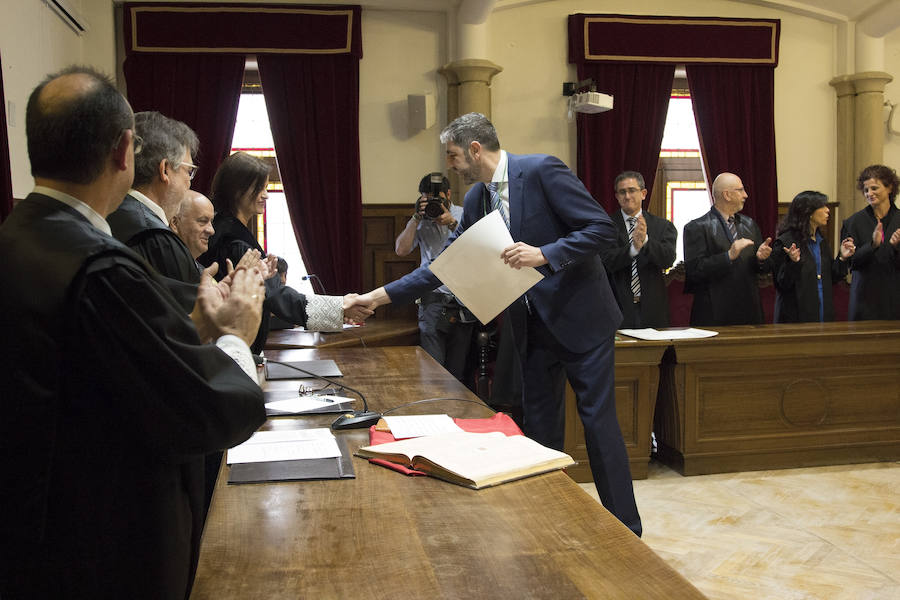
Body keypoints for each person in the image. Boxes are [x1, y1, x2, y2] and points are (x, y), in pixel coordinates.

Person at [0, 66, 267, 599]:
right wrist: (236, 333)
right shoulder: (100, 266)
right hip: (104, 543)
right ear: (125, 150)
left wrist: (187, 327)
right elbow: (205, 412)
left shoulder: (19, 236)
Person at [352, 113, 641, 537]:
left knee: (598, 424)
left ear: (474, 150)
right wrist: (376, 298)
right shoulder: (476, 201)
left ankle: (625, 530)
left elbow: (601, 229)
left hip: (582, 319)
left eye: (452, 155)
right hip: (531, 325)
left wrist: (545, 253)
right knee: (540, 429)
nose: (450, 166)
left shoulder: (542, 170)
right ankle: (547, 521)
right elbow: (446, 267)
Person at [197, 151, 372, 352]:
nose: (266, 195)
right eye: (260, 188)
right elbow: (276, 295)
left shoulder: (225, 228)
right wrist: (339, 306)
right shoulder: (235, 242)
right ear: (238, 190)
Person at [107, 111, 201, 311]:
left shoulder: (109, 214)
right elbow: (186, 325)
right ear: (165, 170)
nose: (189, 182)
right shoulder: (157, 240)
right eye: (189, 171)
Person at [394, 173, 475, 381]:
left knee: (457, 372)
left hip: (462, 301)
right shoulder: (421, 219)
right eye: (427, 199)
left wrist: (452, 223)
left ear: (448, 194)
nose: (433, 204)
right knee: (432, 369)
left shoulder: (464, 214)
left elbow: (478, 250)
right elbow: (401, 250)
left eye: (437, 198)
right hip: (432, 301)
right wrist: (415, 218)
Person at [683, 172, 774, 326]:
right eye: (740, 190)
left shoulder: (750, 224)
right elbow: (694, 271)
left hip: (749, 312)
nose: (745, 195)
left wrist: (761, 259)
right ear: (727, 195)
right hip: (714, 313)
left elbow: (762, 270)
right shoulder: (696, 227)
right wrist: (728, 256)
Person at [600, 171, 677, 328]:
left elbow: (667, 259)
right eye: (622, 192)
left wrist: (646, 241)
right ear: (616, 196)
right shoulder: (605, 227)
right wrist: (633, 249)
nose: (627, 196)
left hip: (653, 309)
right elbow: (606, 262)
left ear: (643, 193)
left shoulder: (663, 226)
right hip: (617, 308)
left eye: (632, 190)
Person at [772, 191, 855, 322]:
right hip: (796, 317)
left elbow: (831, 278)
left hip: (822, 312)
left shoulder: (821, 241)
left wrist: (842, 258)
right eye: (822, 206)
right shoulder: (785, 242)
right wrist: (793, 263)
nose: (828, 210)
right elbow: (782, 285)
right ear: (809, 212)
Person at [840, 164, 900, 320]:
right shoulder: (853, 223)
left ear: (890, 188)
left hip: (895, 298)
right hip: (864, 299)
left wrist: (897, 247)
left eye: (874, 188)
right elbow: (851, 264)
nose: (869, 193)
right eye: (866, 190)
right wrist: (872, 246)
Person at [171, 190, 216, 265]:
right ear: (175, 223)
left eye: (211, 222)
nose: (211, 231)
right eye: (203, 221)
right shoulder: (161, 268)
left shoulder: (204, 273)